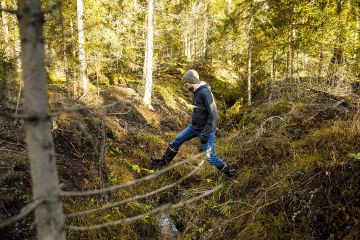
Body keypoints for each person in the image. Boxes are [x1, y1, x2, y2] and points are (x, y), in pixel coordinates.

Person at [151, 69, 235, 178]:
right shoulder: (196, 90)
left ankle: (230, 173)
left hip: (206, 130)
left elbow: (213, 115)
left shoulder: (205, 93)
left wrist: (206, 133)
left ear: (191, 81)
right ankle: (162, 164)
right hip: (194, 127)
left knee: (210, 157)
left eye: (186, 83)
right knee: (176, 141)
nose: (185, 85)